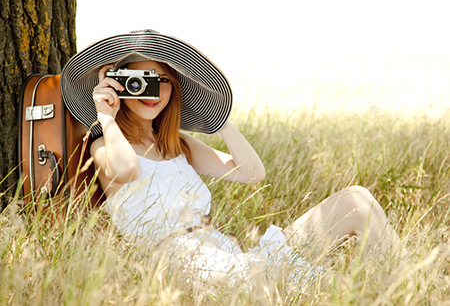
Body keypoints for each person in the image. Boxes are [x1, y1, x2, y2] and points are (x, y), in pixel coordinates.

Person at [61, 29, 403, 292]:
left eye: (161, 80)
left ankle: (410, 285)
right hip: (184, 265)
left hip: (227, 253)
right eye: (138, 81)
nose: (152, 90)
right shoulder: (104, 144)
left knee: (356, 199)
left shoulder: (178, 144)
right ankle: (371, 294)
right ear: (119, 86)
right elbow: (126, 169)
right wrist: (106, 115)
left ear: (174, 88)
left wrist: (219, 117)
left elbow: (253, 172)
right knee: (309, 281)